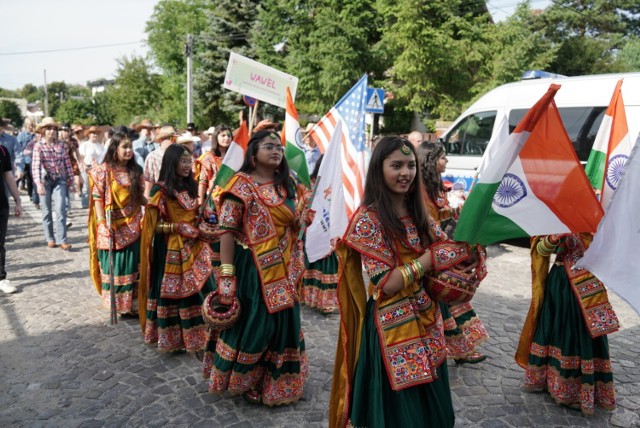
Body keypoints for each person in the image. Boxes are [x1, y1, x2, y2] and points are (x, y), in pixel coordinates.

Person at [330, 136, 460, 428]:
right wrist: (429, 259)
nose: (406, 172)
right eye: (397, 165)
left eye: (411, 165)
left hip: (428, 318)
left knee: (434, 405)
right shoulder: (368, 219)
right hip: (392, 328)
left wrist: (465, 252)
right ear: (379, 169)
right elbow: (387, 283)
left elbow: (444, 249)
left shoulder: (419, 213)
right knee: (402, 413)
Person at [200, 130, 308, 406]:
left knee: (284, 324)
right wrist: (226, 276)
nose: (276, 151)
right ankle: (245, 380)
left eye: (279, 147)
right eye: (269, 146)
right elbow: (226, 231)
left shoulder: (287, 184)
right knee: (256, 324)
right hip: (253, 269)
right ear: (253, 152)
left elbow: (290, 223)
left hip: (284, 267)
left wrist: (300, 224)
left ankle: (275, 381)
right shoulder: (240, 186)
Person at [516, 233, 619, 415]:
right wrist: (554, 238)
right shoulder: (556, 216)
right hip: (559, 281)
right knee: (556, 328)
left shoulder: (596, 218)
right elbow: (540, 249)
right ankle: (551, 382)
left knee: (582, 331)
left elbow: (608, 249)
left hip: (587, 283)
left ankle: (579, 389)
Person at [138, 143, 215, 353]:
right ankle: (175, 338)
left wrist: (203, 213)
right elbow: (152, 226)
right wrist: (176, 227)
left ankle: (205, 333)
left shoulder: (190, 187)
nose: (188, 165)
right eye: (183, 161)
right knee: (179, 294)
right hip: (171, 251)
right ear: (172, 162)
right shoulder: (161, 190)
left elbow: (193, 214)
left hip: (195, 246)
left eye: (189, 161)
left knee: (204, 287)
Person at [419, 141, 489, 364]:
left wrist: (460, 210)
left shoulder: (432, 185)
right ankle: (457, 350)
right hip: (424, 255)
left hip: (436, 249)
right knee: (446, 300)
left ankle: (460, 349)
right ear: (430, 160)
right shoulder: (419, 188)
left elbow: (437, 217)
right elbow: (427, 224)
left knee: (450, 300)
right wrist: (451, 249)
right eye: (442, 157)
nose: (446, 161)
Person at [88, 132, 144, 316]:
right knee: (117, 265)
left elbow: (141, 198)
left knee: (132, 265)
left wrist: (156, 204)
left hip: (133, 225)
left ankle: (132, 305)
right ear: (115, 149)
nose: (129, 150)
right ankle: (118, 304)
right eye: (124, 147)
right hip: (111, 225)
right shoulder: (103, 171)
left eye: (130, 147)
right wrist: (102, 223)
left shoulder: (136, 171)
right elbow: (97, 198)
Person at [300, 155, 338, 314]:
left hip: (329, 231)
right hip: (311, 231)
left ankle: (325, 301)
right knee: (310, 263)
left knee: (327, 266)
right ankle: (308, 297)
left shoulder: (339, 186)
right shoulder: (309, 185)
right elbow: (300, 207)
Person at [32, 117, 76, 250]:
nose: (52, 131)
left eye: (54, 129)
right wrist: (39, 184)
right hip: (45, 180)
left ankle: (62, 239)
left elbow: (67, 162)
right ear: (43, 131)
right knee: (46, 210)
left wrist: (71, 179)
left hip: (60, 179)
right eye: (49, 129)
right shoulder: (38, 146)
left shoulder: (61, 145)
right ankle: (50, 238)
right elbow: (36, 166)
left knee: (61, 209)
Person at [0, 144, 22, 294]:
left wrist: (17, 200)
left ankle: (1, 278)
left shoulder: (2, 150)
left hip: (1, 203)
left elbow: (8, 176)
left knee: (0, 242)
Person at [196, 124, 231, 205]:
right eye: (223, 135)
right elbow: (202, 183)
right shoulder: (208, 157)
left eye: (229, 136)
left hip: (231, 199)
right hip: (214, 200)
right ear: (216, 137)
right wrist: (200, 203)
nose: (227, 138)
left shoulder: (234, 157)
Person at [143, 125, 177, 199]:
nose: (175, 141)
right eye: (172, 138)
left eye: (175, 138)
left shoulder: (179, 155)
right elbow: (148, 182)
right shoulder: (152, 157)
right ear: (162, 140)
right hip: (160, 198)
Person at [59, 123, 82, 226]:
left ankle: (67, 207)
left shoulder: (73, 141)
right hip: (60, 165)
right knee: (63, 187)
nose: (65, 132)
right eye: (63, 130)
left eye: (66, 130)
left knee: (69, 185)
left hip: (71, 163)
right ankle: (65, 207)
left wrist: (81, 163)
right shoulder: (58, 141)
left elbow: (77, 153)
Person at [78, 126, 105, 207]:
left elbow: (102, 156)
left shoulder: (100, 145)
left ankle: (95, 203)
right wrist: (84, 165)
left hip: (97, 167)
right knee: (86, 185)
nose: (95, 135)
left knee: (96, 186)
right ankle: (85, 204)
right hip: (87, 166)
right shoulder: (85, 144)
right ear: (89, 134)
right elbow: (81, 156)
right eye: (93, 133)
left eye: (96, 133)